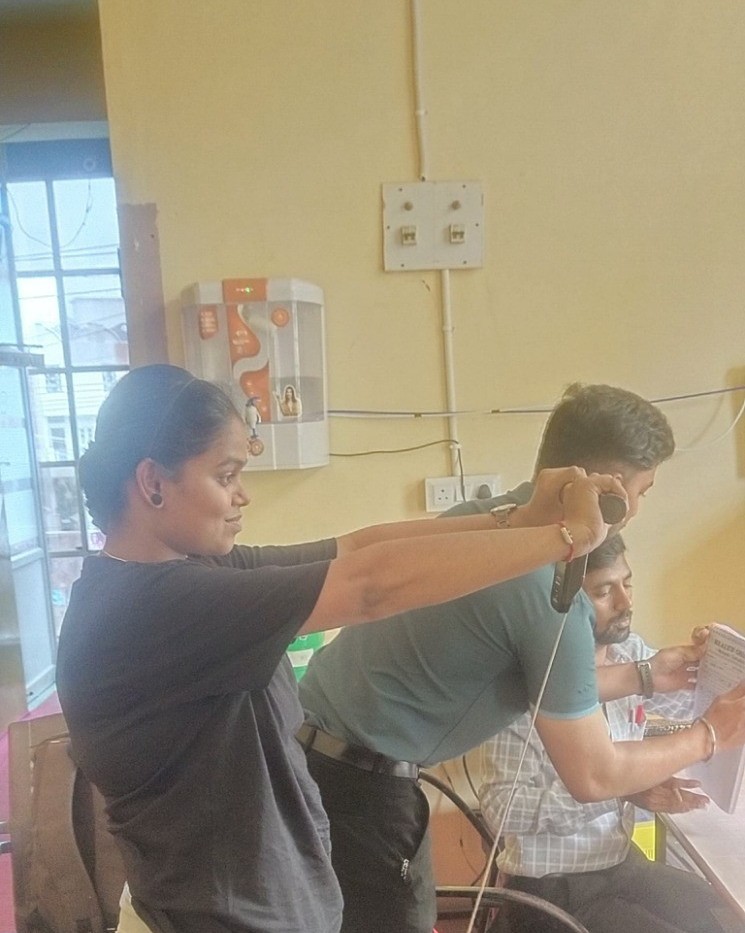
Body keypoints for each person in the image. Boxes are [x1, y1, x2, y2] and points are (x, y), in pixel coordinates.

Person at [54, 364, 620, 933]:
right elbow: (370, 585)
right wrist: (563, 539)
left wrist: (521, 520)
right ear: (152, 483)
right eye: (226, 475)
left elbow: (354, 549)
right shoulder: (154, 608)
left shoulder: (185, 573)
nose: (242, 495)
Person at [298, 383, 745, 933]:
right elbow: (594, 775)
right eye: (642, 490)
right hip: (359, 790)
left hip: (312, 752)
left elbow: (540, 678)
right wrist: (709, 735)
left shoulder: (486, 519)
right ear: (611, 491)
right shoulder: (552, 591)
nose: (638, 509)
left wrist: (646, 675)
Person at [480, 533, 741, 933]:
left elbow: (691, 708)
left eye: (627, 584)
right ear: (562, 602)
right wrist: (619, 789)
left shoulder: (630, 654)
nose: (625, 602)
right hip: (552, 886)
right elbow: (502, 810)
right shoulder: (525, 682)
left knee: (722, 918)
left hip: (619, 864)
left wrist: (717, 665)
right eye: (604, 592)